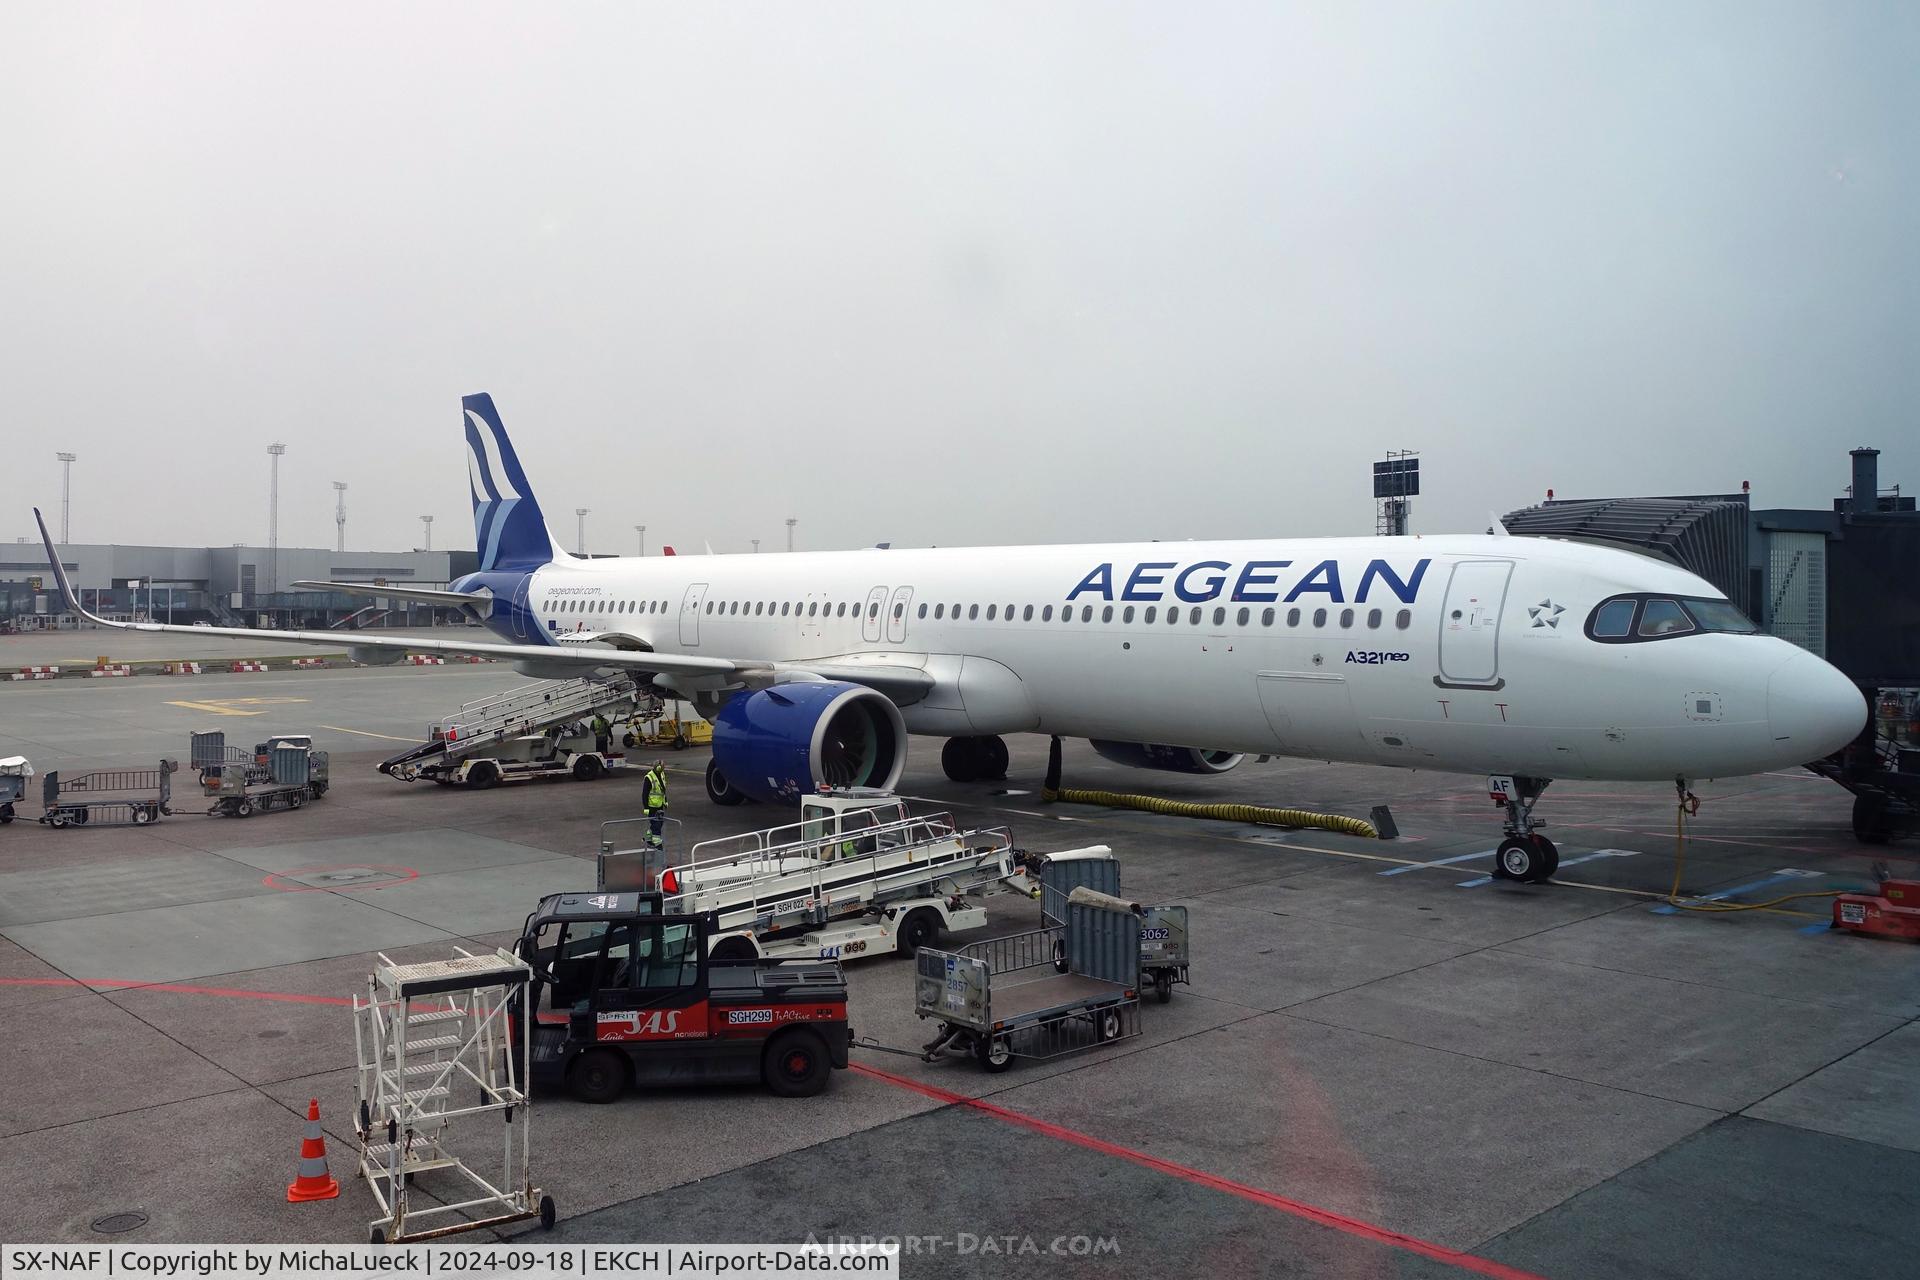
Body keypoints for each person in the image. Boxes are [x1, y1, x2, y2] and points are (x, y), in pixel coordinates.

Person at [642, 761, 669, 847]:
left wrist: (665, 801)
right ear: (658, 768)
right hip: (651, 806)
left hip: (659, 804)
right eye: (662, 767)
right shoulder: (649, 777)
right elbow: (644, 794)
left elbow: (663, 789)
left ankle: (648, 839)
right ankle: (658, 844)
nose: (663, 768)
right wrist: (646, 807)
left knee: (658, 823)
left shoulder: (662, 774)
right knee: (656, 824)